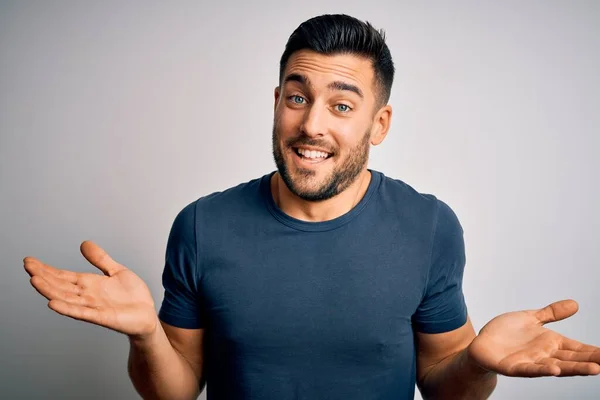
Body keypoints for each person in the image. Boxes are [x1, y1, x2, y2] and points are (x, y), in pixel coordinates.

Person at [24, 14, 599, 400]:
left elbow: (443, 384)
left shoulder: (430, 226)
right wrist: (148, 335)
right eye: (297, 98)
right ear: (277, 103)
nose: (312, 125)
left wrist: (477, 362)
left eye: (342, 106)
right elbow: (175, 389)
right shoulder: (201, 225)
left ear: (380, 124)